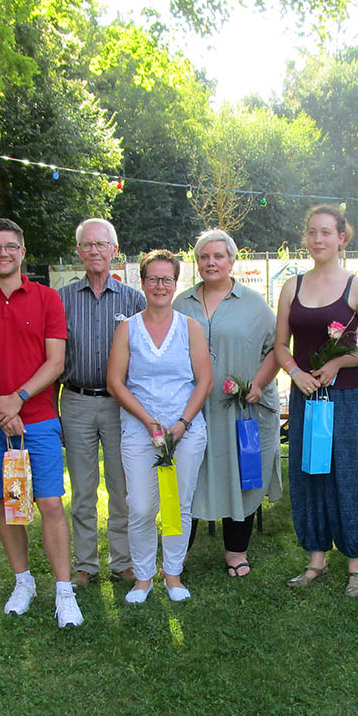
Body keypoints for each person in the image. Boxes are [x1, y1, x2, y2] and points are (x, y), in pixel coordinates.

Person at [0, 218, 82, 628]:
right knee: (9, 504)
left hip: (38, 418)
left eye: (10, 246)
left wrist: (18, 400)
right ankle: (23, 582)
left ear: (23, 253)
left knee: (48, 502)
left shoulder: (46, 299)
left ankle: (64, 590)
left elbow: (55, 362)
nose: (2, 253)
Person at [274, 205, 358, 597]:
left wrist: (340, 361)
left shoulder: (355, 287)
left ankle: (356, 566)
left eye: (326, 232)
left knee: (350, 474)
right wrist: (296, 374)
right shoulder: (292, 286)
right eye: (311, 232)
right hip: (307, 398)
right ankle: (316, 560)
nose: (318, 239)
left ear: (342, 238)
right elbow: (279, 346)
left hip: (345, 399)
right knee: (309, 475)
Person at [175, 229, 282, 577]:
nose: (211, 262)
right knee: (186, 477)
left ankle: (236, 552)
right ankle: (179, 554)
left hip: (241, 411)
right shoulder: (181, 304)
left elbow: (275, 351)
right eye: (204, 256)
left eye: (218, 256)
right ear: (197, 262)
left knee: (243, 474)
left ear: (232, 261)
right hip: (192, 411)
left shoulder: (254, 304)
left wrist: (258, 384)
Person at [107, 250, 212, 603]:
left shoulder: (190, 327)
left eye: (167, 279)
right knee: (139, 506)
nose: (160, 285)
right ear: (142, 281)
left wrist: (182, 424)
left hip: (185, 431)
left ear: (176, 282)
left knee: (176, 505)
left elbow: (204, 381)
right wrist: (149, 421)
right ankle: (143, 577)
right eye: (153, 278)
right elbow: (116, 383)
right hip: (140, 429)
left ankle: (173, 575)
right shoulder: (127, 328)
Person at [58, 218, 145, 587]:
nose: (95, 250)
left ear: (114, 250)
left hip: (119, 404)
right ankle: (86, 564)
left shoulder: (133, 299)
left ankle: (123, 561)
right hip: (76, 400)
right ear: (78, 251)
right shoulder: (60, 298)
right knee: (82, 490)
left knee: (121, 486)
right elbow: (51, 359)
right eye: (87, 245)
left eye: (101, 244)